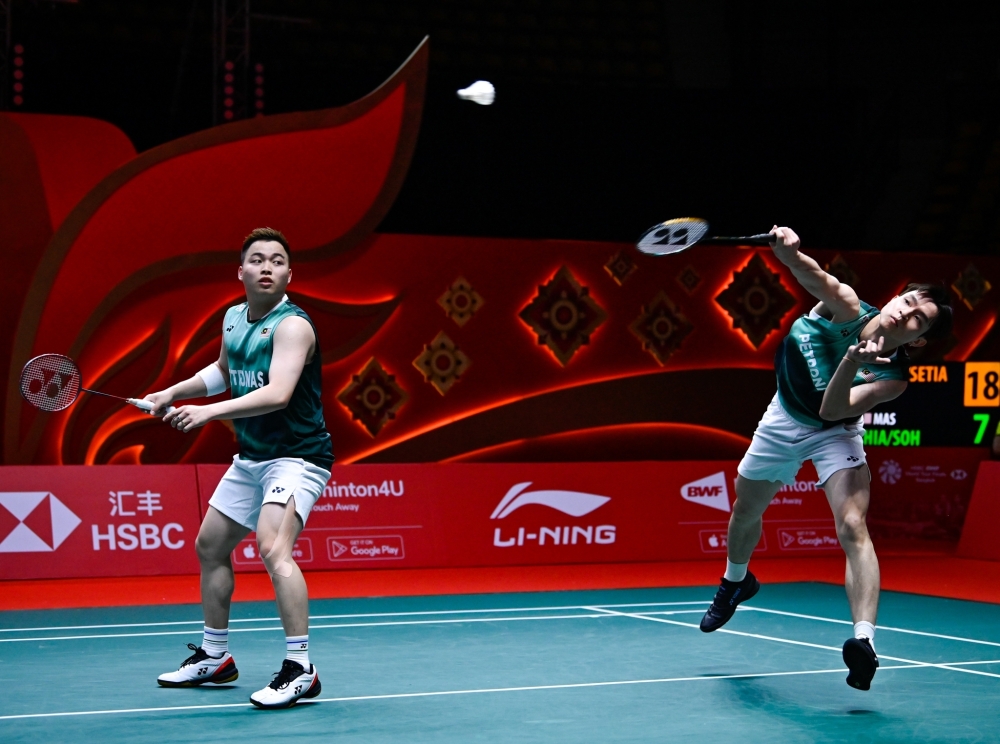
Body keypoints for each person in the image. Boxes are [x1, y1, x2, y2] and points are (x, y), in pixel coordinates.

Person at [699, 226, 952, 691]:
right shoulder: (849, 307)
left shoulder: (893, 377)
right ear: (896, 297)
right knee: (745, 511)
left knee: (853, 524)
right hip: (783, 417)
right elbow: (815, 277)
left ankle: (865, 642)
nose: (907, 313)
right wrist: (791, 254)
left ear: (918, 341)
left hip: (833, 432)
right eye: (909, 301)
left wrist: (854, 361)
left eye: (919, 320)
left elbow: (832, 411)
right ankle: (736, 581)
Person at [149, 227, 334, 709]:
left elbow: (277, 393)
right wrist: (174, 392)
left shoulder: (294, 326)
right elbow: (223, 374)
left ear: (289, 274)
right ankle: (215, 657)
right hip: (252, 457)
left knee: (274, 548)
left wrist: (209, 413)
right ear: (242, 272)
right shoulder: (234, 318)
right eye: (257, 259)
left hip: (296, 456)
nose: (267, 266)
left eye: (277, 260)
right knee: (209, 546)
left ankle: (301, 668)